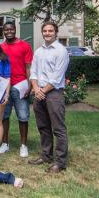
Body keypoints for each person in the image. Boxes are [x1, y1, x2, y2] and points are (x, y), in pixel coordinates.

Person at [28, 21, 70, 173]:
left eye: (50, 31)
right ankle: (46, 155)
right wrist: (35, 88)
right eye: (45, 31)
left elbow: (57, 77)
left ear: (56, 32)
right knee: (43, 126)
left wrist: (42, 91)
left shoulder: (61, 51)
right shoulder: (39, 51)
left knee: (58, 128)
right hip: (39, 92)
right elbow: (33, 72)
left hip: (53, 93)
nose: (47, 33)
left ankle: (60, 162)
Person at [0, 21, 33, 157]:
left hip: (21, 86)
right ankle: (5, 143)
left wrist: (30, 86)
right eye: (6, 30)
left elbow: (28, 67)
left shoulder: (25, 46)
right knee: (4, 116)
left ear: (15, 30)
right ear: (3, 31)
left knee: (23, 116)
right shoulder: (0, 47)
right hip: (4, 87)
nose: (9, 32)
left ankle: (23, 145)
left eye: (11, 29)